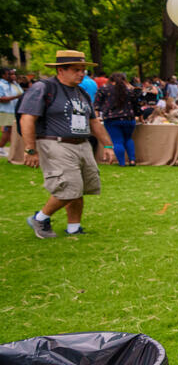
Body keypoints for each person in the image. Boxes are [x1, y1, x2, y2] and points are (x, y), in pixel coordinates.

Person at [19, 50, 115, 238]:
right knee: (68, 185)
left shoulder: (82, 93)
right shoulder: (44, 88)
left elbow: (94, 122)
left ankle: (74, 228)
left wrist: (108, 146)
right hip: (55, 143)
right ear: (61, 70)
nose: (81, 74)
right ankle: (40, 218)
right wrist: (30, 149)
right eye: (76, 69)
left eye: (83, 70)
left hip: (82, 143)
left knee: (81, 187)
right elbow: (27, 119)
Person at [93, 72, 140, 167]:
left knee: (117, 141)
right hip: (129, 118)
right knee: (128, 139)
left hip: (112, 119)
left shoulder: (104, 89)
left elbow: (97, 105)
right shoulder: (129, 90)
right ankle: (132, 160)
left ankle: (122, 163)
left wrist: (96, 116)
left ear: (110, 79)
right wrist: (140, 117)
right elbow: (136, 106)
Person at [0, 67, 22, 157]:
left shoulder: (14, 84)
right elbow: (1, 99)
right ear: (3, 75)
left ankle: (14, 149)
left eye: (13, 74)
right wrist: (17, 97)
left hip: (15, 111)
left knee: (13, 131)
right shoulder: (1, 84)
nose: (12, 76)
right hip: (6, 111)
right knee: (7, 131)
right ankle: (1, 148)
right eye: (9, 74)